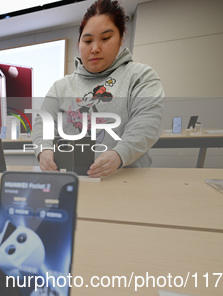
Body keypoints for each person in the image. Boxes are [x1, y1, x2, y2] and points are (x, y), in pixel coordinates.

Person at [32, 0, 164, 178]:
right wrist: (44, 149)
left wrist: (120, 153)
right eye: (87, 40)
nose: (95, 49)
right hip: (75, 180)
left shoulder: (140, 76)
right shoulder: (60, 87)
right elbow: (43, 123)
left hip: (126, 179)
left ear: (121, 38)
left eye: (105, 38)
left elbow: (147, 122)